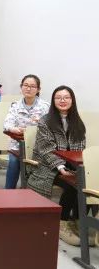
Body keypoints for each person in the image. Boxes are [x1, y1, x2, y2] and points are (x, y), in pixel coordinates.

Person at [27, 86, 88, 246]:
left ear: (72, 100)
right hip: (47, 167)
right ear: (53, 101)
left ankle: (78, 221)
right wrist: (61, 167)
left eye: (66, 97)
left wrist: (76, 168)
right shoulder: (45, 121)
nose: (62, 100)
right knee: (73, 185)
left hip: (71, 166)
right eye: (58, 97)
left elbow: (81, 149)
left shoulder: (78, 122)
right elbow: (46, 149)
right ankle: (62, 222)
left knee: (87, 182)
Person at [3, 74, 49, 189]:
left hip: (38, 147)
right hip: (17, 146)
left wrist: (38, 125)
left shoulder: (45, 106)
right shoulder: (15, 105)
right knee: (13, 161)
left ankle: (30, 192)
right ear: (21, 87)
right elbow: (7, 124)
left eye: (32, 86)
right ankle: (8, 193)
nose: (28, 88)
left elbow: (50, 128)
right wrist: (15, 129)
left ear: (38, 89)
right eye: (26, 85)